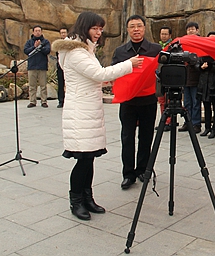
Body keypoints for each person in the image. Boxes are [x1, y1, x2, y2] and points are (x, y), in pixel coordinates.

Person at [52, 11, 143, 220]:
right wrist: (130, 64)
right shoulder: (76, 52)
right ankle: (76, 201)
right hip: (80, 112)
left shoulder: (85, 49)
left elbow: (94, 77)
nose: (98, 32)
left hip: (88, 110)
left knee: (90, 157)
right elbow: (99, 74)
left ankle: (87, 197)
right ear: (84, 27)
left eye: (101, 29)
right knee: (83, 160)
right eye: (95, 28)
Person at [111, 15, 162, 190]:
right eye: (132, 26)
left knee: (146, 136)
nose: (136, 29)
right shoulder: (120, 52)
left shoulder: (155, 49)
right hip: (128, 101)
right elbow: (114, 73)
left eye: (139, 26)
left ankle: (143, 169)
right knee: (127, 137)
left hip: (148, 100)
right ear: (127, 30)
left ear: (145, 28)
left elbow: (160, 72)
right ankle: (128, 173)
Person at [196, 32, 215, 139]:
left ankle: (214, 129)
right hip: (204, 83)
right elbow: (196, 64)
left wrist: (211, 66)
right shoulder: (202, 52)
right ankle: (207, 128)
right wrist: (201, 67)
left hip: (214, 83)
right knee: (206, 105)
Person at [178, 22, 202, 134]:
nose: (190, 31)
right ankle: (187, 122)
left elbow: (201, 60)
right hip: (185, 78)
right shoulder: (183, 44)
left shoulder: (201, 43)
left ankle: (196, 124)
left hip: (196, 78)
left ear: (197, 30)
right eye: (188, 29)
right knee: (187, 103)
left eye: (192, 29)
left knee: (196, 102)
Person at [24, 25, 51, 108]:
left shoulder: (45, 42)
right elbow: (26, 51)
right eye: (36, 31)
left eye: (39, 30)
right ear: (33, 32)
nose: (38, 32)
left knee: (43, 85)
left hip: (42, 66)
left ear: (41, 32)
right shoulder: (29, 42)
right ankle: (32, 101)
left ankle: (44, 101)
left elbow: (47, 50)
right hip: (32, 66)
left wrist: (40, 47)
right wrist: (34, 47)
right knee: (32, 86)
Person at [157, 26, 173, 131]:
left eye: (165, 34)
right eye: (162, 34)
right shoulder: (157, 47)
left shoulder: (172, 47)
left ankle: (169, 121)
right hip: (159, 78)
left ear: (170, 35)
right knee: (161, 100)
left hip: (170, 78)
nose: (163, 36)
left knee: (169, 100)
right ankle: (163, 120)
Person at [56, 28, 68, 108]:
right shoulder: (58, 44)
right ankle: (61, 101)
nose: (63, 34)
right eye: (62, 33)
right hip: (60, 66)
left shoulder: (70, 43)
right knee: (60, 84)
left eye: (64, 33)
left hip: (69, 67)